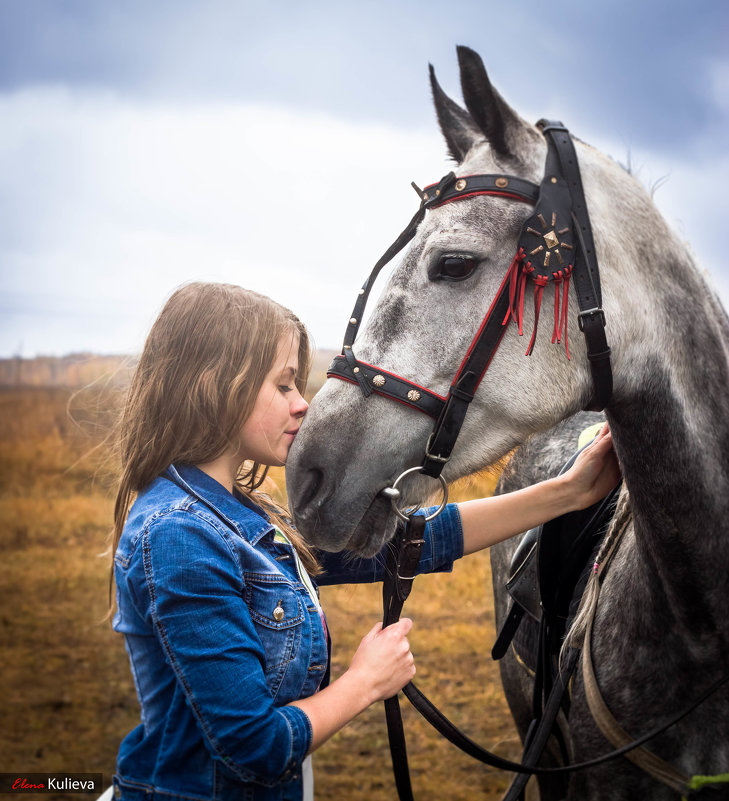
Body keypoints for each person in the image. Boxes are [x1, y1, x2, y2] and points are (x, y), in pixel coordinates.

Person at [110, 282, 620, 801]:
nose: (301, 405)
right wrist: (365, 681)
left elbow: (414, 539)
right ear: (215, 385)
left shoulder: (239, 516)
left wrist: (566, 493)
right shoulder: (180, 537)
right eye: (284, 386)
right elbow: (253, 746)